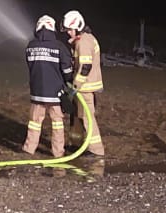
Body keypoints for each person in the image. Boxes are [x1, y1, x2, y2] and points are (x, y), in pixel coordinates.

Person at [22, 14, 72, 157]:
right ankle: (58, 152)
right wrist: (69, 82)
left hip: (37, 93)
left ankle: (29, 149)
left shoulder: (30, 46)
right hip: (55, 94)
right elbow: (67, 70)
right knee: (57, 123)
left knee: (34, 122)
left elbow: (31, 67)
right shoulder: (59, 47)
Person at [63, 9, 106, 156]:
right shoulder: (85, 39)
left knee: (87, 118)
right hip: (83, 88)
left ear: (78, 27)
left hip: (85, 88)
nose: (69, 33)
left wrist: (75, 86)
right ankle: (76, 145)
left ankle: (96, 150)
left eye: (70, 30)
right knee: (77, 117)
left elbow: (85, 67)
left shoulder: (84, 42)